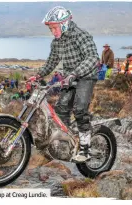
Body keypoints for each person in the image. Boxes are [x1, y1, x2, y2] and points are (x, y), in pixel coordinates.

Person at [35, 6, 99, 162]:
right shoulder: (57, 42)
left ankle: (85, 148)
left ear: (64, 23)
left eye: (55, 27)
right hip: (69, 78)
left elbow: (92, 58)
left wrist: (74, 73)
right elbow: (51, 62)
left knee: (79, 109)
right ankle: (67, 144)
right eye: (51, 29)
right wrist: (37, 75)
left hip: (86, 76)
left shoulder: (81, 35)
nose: (53, 32)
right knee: (61, 109)